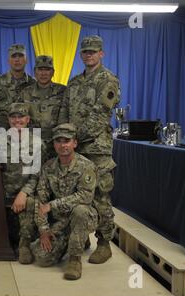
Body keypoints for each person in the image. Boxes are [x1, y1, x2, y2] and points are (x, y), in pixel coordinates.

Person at [58, 35, 120, 264]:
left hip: (96, 148)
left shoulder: (108, 80)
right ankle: (80, 236)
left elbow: (100, 115)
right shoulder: (74, 82)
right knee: (74, 193)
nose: (89, 55)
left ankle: (104, 243)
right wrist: (64, 136)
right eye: (85, 52)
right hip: (74, 148)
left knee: (100, 195)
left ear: (101, 54)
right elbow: (64, 110)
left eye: (93, 51)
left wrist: (74, 138)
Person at [31, 123, 98, 280]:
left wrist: (54, 205)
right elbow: (41, 200)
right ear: (54, 144)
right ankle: (77, 238)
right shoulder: (48, 167)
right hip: (61, 219)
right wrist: (44, 231)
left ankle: (75, 260)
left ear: (74, 143)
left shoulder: (86, 166)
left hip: (85, 216)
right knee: (43, 258)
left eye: (66, 141)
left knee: (80, 211)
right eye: (58, 141)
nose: (63, 145)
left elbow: (85, 196)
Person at [1, 103, 44, 263]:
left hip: (25, 197)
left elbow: (38, 175)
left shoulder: (37, 143)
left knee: (32, 202)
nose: (17, 120)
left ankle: (24, 245)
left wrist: (24, 193)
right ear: (8, 119)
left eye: (21, 117)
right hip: (2, 195)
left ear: (28, 119)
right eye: (13, 116)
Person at [19, 55, 66, 160]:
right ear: (35, 72)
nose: (43, 73)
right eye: (40, 69)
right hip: (31, 145)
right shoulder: (25, 93)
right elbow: (19, 119)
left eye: (47, 69)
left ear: (53, 72)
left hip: (56, 144)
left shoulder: (62, 91)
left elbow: (66, 117)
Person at [0, 44, 36, 129]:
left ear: (26, 60)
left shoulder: (33, 83)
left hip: (26, 132)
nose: (17, 60)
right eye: (13, 56)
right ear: (8, 61)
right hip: (2, 131)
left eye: (21, 56)